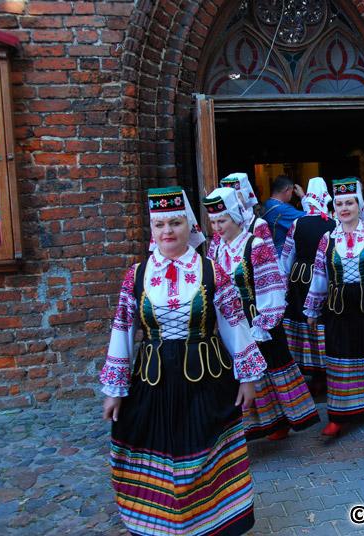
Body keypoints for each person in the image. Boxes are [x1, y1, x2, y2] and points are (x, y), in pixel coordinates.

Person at [99, 186, 266, 536]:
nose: (167, 231)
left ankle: (211, 524)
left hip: (207, 380)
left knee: (205, 450)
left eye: (175, 223)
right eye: (160, 224)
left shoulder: (212, 271)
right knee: (156, 447)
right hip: (153, 380)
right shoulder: (137, 274)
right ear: (152, 228)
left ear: (188, 225)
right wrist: (114, 390)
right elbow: (123, 328)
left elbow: (234, 322)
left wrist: (248, 377)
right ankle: (163, 526)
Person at [203, 187, 319, 440]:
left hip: (256, 317)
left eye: (222, 220)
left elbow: (272, 284)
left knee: (271, 368)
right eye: (213, 222)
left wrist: (264, 322)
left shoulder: (255, 245)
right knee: (242, 373)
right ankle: (260, 424)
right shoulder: (216, 248)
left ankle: (283, 420)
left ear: (235, 217)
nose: (217, 227)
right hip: (231, 321)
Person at [304, 177, 364, 437]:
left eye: (350, 203)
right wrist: (312, 309)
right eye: (340, 203)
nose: (344, 208)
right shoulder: (327, 238)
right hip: (339, 309)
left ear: (359, 205)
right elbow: (320, 275)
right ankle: (339, 415)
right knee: (340, 357)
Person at [279, 177, 336, 385]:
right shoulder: (334, 223)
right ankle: (326, 368)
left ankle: (308, 368)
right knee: (322, 321)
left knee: (303, 320)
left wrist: (284, 283)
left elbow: (287, 256)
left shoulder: (298, 223)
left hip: (300, 277)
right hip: (325, 278)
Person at [207, 172, 277, 260]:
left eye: (237, 197)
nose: (235, 202)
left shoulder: (258, 225)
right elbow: (211, 258)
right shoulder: (221, 227)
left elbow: (271, 256)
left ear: (246, 196)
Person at [261, 175, 306, 254]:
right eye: (291, 192)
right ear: (286, 189)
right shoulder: (281, 209)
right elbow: (311, 217)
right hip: (280, 253)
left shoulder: (267, 203)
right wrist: (303, 196)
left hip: (269, 249)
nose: (292, 195)